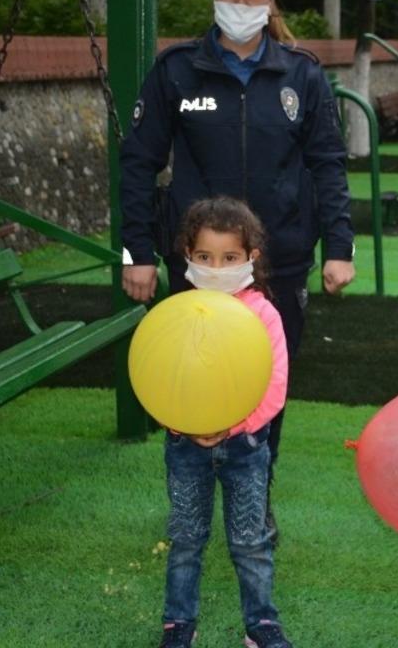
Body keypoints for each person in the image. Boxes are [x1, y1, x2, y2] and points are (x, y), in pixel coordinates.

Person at [119, 0, 355, 540]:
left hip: (280, 260)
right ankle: (190, 500)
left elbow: (329, 164)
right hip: (196, 265)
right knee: (189, 378)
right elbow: (138, 163)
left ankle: (257, 494)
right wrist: (137, 252)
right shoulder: (177, 69)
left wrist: (340, 246)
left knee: (265, 382)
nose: (239, 0)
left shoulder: (301, 75)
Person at [156, 196, 293, 648]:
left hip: (246, 447)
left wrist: (231, 427)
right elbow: (161, 375)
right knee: (186, 540)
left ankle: (261, 625)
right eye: (205, 257)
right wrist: (181, 423)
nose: (217, 267)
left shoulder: (264, 315)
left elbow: (274, 387)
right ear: (188, 258)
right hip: (185, 446)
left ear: (251, 258)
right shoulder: (179, 314)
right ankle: (179, 625)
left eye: (230, 258)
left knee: (251, 542)